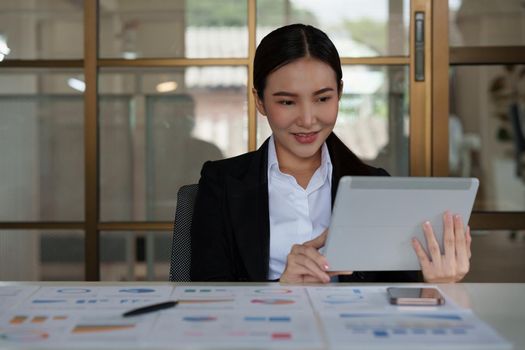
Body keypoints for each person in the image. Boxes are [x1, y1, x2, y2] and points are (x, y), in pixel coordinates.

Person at [190, 24, 472, 283]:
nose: (308, 119)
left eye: (323, 98)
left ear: (340, 93)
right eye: (287, 101)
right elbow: (206, 294)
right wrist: (280, 289)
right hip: (260, 336)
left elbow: (397, 298)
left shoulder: (373, 186)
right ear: (260, 102)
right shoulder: (221, 183)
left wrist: (438, 285)